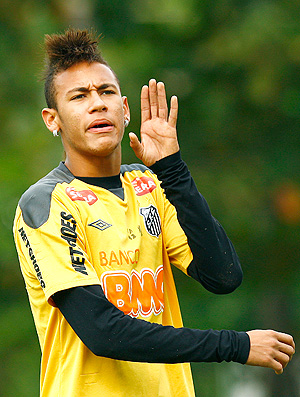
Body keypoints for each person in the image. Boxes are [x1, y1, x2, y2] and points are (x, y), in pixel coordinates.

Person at [13, 28, 295, 397]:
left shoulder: (148, 184)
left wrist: (173, 169)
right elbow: (103, 332)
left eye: (106, 92)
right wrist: (236, 345)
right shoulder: (46, 203)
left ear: (125, 109)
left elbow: (223, 276)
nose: (97, 104)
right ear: (53, 119)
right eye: (79, 96)